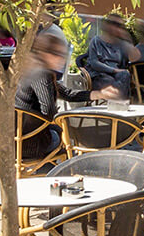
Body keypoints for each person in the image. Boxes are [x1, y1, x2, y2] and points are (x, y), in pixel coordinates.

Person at [14, 31, 89, 166]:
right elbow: (48, 110)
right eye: (57, 54)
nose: (62, 59)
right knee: (67, 137)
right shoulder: (42, 74)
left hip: (14, 141)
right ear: (44, 54)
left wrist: (96, 94)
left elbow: (67, 93)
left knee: (59, 132)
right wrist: (63, 126)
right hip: (30, 145)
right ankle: (56, 176)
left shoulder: (31, 69)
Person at [83, 13, 134, 101]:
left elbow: (134, 57)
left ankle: (120, 104)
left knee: (125, 75)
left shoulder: (121, 44)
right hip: (99, 75)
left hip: (116, 75)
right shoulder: (96, 41)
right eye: (112, 23)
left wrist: (126, 37)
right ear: (106, 25)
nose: (115, 27)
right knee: (112, 83)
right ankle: (118, 104)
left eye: (119, 25)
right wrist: (113, 70)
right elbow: (94, 63)